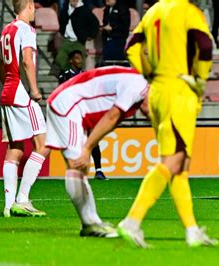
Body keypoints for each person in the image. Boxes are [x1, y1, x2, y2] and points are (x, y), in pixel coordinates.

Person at [120, 0, 217, 248]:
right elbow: (205, 46)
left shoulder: (152, 11)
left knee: (180, 164)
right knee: (172, 161)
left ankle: (192, 230)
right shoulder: (188, 11)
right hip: (179, 90)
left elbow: (130, 47)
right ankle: (132, 221)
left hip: (158, 91)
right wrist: (200, 79)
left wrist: (149, 72)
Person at [46, 66, 149, 237]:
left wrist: (89, 145)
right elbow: (111, 117)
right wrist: (87, 148)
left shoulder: (136, 84)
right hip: (69, 106)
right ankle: (91, 224)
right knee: (76, 164)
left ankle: (91, 223)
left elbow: (111, 120)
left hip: (71, 105)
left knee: (79, 167)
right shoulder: (139, 86)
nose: (152, 116)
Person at [0, 0, 49, 218]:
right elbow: (27, 60)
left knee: (15, 148)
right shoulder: (26, 29)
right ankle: (23, 199)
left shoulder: (7, 30)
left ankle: (8, 207)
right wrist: (34, 90)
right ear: (27, 5)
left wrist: (8, 83)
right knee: (43, 145)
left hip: (8, 93)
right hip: (20, 94)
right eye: (33, 6)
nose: (35, 10)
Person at [58, 50, 108, 180]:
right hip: (72, 112)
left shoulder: (86, 75)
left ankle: (99, 170)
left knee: (93, 139)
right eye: (77, 58)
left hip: (85, 111)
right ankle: (74, 170)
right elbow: (61, 92)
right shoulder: (65, 75)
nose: (80, 61)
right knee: (74, 141)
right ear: (71, 61)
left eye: (81, 58)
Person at [56, 0, 99, 71]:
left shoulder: (84, 9)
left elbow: (95, 23)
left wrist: (91, 35)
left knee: (79, 62)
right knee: (60, 59)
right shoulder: (65, 7)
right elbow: (62, 20)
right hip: (67, 41)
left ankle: (75, 75)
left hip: (79, 42)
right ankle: (70, 73)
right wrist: (62, 31)